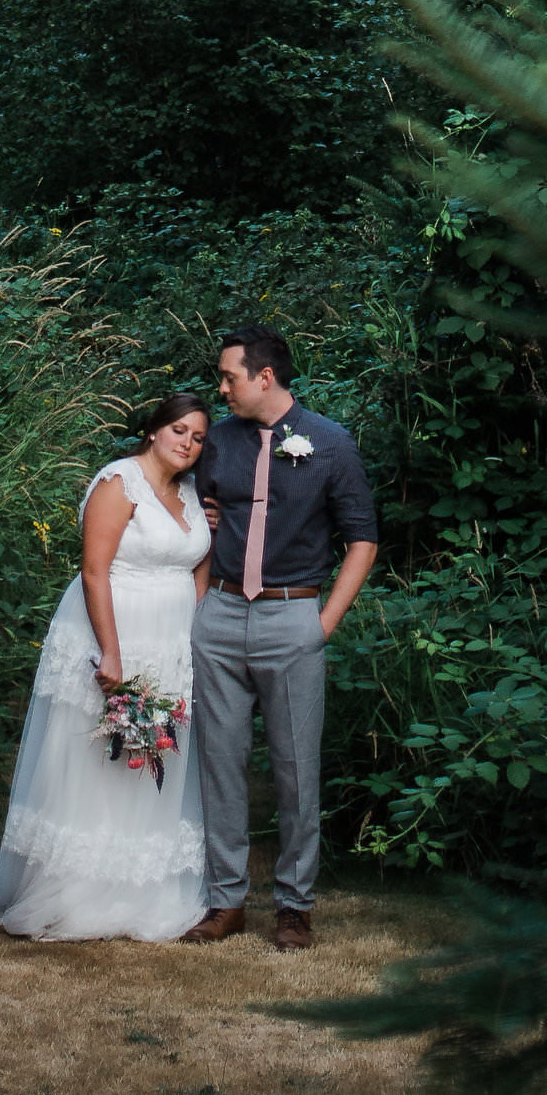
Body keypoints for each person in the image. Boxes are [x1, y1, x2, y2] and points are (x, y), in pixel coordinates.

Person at [0, 390, 213, 941]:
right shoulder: (119, 483)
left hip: (171, 638)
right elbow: (95, 571)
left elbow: (198, 567)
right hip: (115, 628)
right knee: (95, 758)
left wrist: (194, 630)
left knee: (153, 756)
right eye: (179, 431)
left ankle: (140, 888)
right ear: (153, 430)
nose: (188, 444)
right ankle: (77, 889)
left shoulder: (191, 493)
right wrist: (111, 652)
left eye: (198, 437)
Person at [183, 326, 377, 953]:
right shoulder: (220, 441)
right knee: (220, 764)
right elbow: (198, 517)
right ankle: (225, 901)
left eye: (229, 377)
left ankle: (294, 906)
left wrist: (323, 624)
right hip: (220, 616)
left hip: (292, 618)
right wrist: (200, 604)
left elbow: (362, 540)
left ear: (264, 377)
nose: (221, 388)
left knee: (296, 770)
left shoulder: (330, 442)